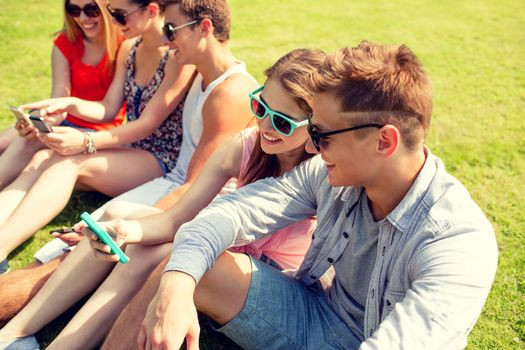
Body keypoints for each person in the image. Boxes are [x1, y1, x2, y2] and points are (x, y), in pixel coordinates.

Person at [122, 41, 497, 350]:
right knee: (186, 265)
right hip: (315, 316)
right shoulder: (329, 174)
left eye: (322, 135)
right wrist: (175, 285)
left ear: (385, 141)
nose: (313, 147)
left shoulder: (457, 242)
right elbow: (224, 217)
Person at [0, 48, 324, 350]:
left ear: (314, 127)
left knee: (164, 249)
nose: (265, 125)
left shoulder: (324, 171)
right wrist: (123, 230)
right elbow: (179, 215)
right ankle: (15, 333)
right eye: (260, 106)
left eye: (282, 121)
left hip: (267, 281)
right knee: (119, 215)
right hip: (221, 248)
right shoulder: (248, 145)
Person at [0, 0, 258, 333]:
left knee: (94, 235)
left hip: (177, 185)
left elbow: (193, 185)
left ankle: (19, 328)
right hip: (171, 179)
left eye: (171, 29)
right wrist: (70, 106)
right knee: (78, 226)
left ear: (203, 28)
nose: (167, 39)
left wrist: (132, 225)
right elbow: (116, 112)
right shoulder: (193, 67)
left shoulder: (226, 91)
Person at [0, 0, 196, 273]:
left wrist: (85, 142)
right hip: (133, 147)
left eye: (118, 15)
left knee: (69, 162)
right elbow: (108, 108)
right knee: (45, 154)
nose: (113, 22)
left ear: (152, 10)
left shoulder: (176, 57)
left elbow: (148, 124)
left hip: (161, 158)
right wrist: (68, 104)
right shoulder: (131, 47)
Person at [0, 0, 125, 191]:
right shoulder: (66, 42)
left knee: (30, 148)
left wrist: (68, 106)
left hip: (100, 133)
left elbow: (108, 110)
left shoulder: (124, 45)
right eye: (74, 10)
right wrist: (42, 119)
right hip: (65, 121)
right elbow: (59, 98)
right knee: (16, 139)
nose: (83, 18)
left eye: (91, 10)